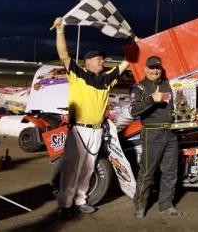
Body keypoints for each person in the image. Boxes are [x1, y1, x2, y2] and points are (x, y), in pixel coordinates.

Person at [51, 17, 137, 219]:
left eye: (103, 58)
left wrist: (136, 45)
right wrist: (60, 30)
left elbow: (126, 63)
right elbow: (63, 54)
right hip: (78, 129)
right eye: (98, 58)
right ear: (87, 61)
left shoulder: (107, 78)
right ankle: (65, 203)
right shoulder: (77, 73)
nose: (102, 61)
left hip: (97, 130)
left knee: (89, 167)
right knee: (72, 166)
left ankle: (80, 200)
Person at [129, 55, 183, 218]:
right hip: (152, 133)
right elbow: (133, 111)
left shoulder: (170, 85)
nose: (155, 70)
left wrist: (195, 115)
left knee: (170, 172)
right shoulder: (139, 88)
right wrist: (152, 99)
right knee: (147, 172)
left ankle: (166, 205)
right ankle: (139, 206)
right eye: (151, 68)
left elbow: (182, 106)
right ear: (145, 69)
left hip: (171, 133)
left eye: (157, 68)